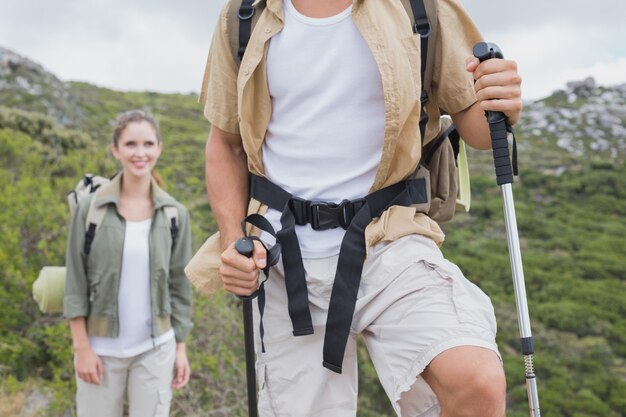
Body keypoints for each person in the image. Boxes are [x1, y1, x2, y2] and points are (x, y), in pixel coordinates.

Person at [201, 0, 522, 415]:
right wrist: (232, 241)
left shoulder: (421, 7)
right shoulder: (244, 15)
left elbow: (478, 126)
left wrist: (503, 100)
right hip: (283, 256)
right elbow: (225, 141)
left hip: (391, 235)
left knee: (475, 380)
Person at [64, 110, 193, 417]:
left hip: (155, 350)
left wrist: (180, 348)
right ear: (116, 150)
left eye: (148, 144)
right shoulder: (90, 210)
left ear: (159, 148)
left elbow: (180, 287)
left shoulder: (175, 214)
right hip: (99, 351)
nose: (140, 153)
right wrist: (81, 348)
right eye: (131, 144)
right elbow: (75, 281)